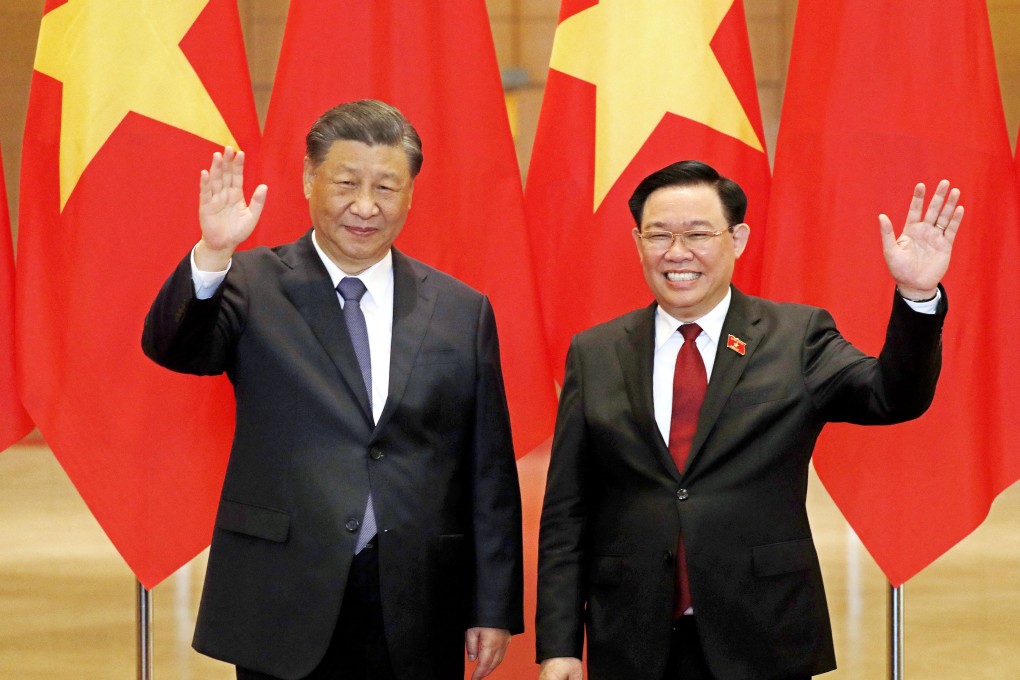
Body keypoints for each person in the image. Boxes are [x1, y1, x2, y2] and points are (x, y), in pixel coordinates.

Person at [535, 160, 962, 680]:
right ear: (637, 241)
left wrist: (917, 297)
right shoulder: (595, 351)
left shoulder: (795, 337)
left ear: (737, 239)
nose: (677, 253)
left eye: (697, 234)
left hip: (763, 634)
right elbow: (566, 513)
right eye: (659, 235)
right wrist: (559, 646)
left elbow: (892, 397)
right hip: (631, 638)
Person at [143, 99, 523, 680]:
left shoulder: (460, 309)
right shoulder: (250, 283)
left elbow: (488, 471)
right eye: (346, 183)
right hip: (283, 593)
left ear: (410, 194)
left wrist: (492, 606)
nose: (365, 207)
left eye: (386, 188)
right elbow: (174, 347)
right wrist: (213, 253)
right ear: (308, 179)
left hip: (417, 597)